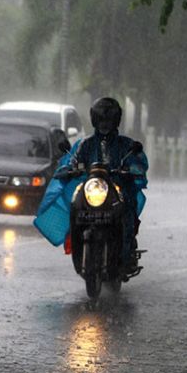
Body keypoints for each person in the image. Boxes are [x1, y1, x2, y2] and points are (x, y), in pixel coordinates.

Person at [35, 97, 149, 271]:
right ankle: (76, 242)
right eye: (101, 118)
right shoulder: (85, 144)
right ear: (94, 119)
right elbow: (72, 162)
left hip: (117, 188)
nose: (105, 123)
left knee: (127, 209)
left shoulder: (126, 144)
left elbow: (138, 162)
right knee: (76, 204)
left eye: (108, 119)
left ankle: (127, 250)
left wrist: (131, 170)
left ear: (116, 119)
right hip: (93, 187)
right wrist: (69, 169)